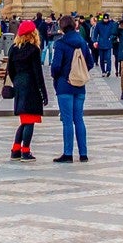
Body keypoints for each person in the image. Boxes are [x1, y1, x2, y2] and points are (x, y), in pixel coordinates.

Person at [50, 16, 94, 162]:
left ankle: (68, 154)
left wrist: (61, 76)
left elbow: (56, 66)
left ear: (62, 27)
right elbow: (90, 63)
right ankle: (83, 154)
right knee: (79, 119)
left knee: (67, 121)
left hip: (64, 86)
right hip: (80, 86)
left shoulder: (60, 44)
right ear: (75, 26)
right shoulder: (82, 42)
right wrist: (78, 74)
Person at [7, 19, 46, 161]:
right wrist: (43, 92)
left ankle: (15, 150)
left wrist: (17, 81)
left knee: (24, 120)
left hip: (19, 84)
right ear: (33, 33)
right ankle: (25, 151)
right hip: (31, 86)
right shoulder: (33, 50)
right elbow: (38, 73)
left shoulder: (13, 48)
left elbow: (10, 70)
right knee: (30, 121)